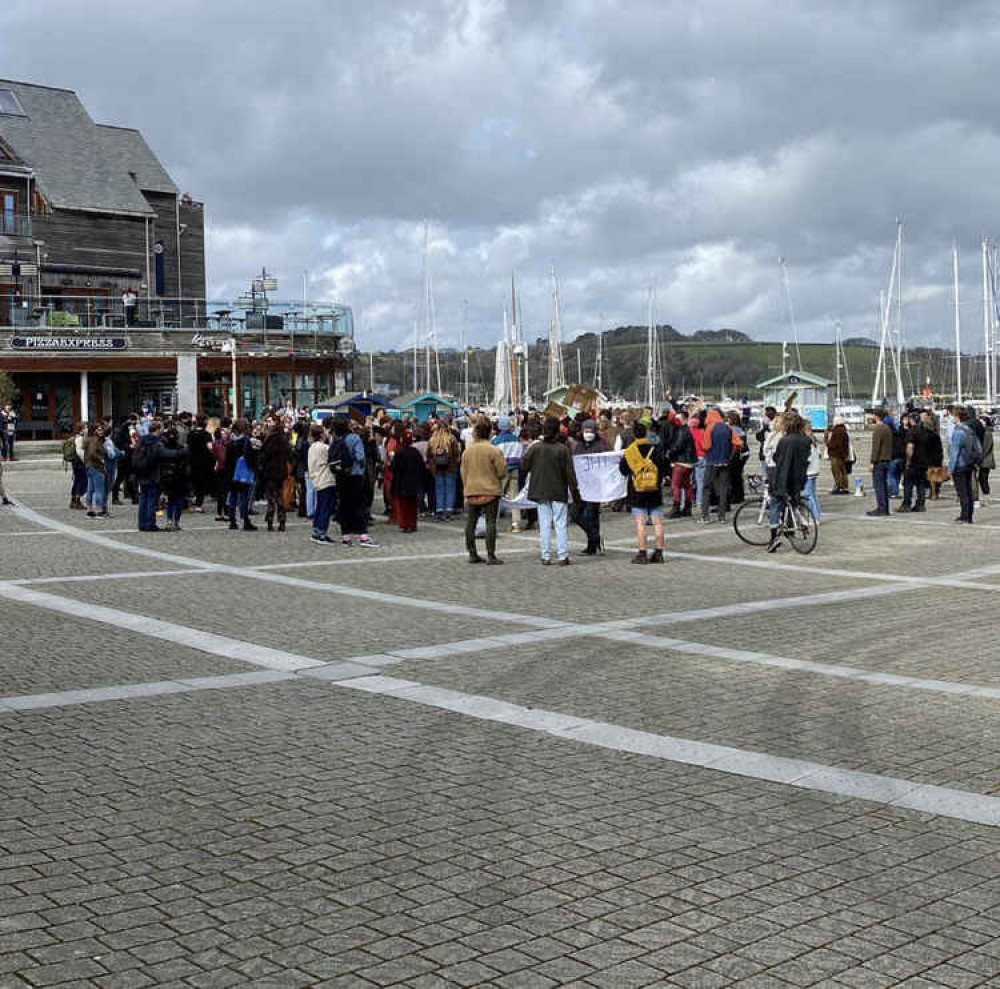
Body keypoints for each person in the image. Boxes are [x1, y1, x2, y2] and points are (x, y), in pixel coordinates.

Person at [520, 415, 578, 566]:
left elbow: (524, 466)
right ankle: (563, 555)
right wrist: (575, 492)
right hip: (558, 490)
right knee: (560, 524)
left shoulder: (535, 448)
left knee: (544, 524)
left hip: (540, 490)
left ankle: (545, 556)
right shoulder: (563, 449)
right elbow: (570, 474)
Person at [461, 416, 507, 564]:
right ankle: (491, 554)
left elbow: (463, 472)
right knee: (491, 522)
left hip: (472, 489)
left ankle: (472, 552)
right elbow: (502, 472)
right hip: (490, 490)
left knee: (471, 522)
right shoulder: (494, 450)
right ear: (489, 432)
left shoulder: (467, 452)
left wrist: (467, 486)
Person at [619, 420, 667, 564]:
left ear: (634, 435)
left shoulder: (630, 451)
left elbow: (623, 470)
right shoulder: (655, 449)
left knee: (640, 523)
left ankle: (642, 552)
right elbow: (664, 466)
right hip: (654, 488)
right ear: (646, 433)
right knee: (657, 522)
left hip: (637, 489)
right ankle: (659, 552)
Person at [768, 412, 811, 552]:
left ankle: (774, 538)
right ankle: (791, 529)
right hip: (799, 477)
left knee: (775, 504)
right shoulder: (805, 439)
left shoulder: (784, 440)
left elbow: (776, 458)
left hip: (783, 477)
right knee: (793, 502)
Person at [332, 419, 376, 547]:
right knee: (359, 505)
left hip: (341, 476)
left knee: (344, 505)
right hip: (355, 475)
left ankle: (345, 537)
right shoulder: (354, 438)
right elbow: (360, 457)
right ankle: (363, 536)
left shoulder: (337, 439)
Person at [570, 418, 607, 555]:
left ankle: (592, 546)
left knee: (593, 516)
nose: (588, 433)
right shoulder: (578, 446)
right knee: (575, 513)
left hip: (595, 487)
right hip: (581, 486)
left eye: (591, 431)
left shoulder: (600, 446)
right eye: (586, 431)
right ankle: (595, 537)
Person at [699, 408, 736, 524]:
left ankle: (705, 516)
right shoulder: (728, 428)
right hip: (725, 462)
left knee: (707, 488)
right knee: (723, 489)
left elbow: (705, 446)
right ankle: (722, 516)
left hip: (711, 462)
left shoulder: (710, 428)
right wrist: (729, 456)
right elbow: (737, 443)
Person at [224, 418, 258, 531]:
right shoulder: (246, 441)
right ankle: (245, 520)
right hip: (242, 473)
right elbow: (250, 458)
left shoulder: (230, 441)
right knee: (244, 496)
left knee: (233, 497)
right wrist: (254, 467)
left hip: (231, 473)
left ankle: (232, 520)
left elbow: (227, 459)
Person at [492, 415, 524, 532]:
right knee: (514, 496)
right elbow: (520, 455)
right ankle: (516, 523)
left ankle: (493, 523)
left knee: (497, 496)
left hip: (502, 470)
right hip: (515, 469)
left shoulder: (496, 441)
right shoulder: (516, 439)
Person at [949, 405, 980, 524]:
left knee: (962, 493)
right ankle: (969, 516)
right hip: (969, 463)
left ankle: (964, 516)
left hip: (960, 465)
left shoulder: (958, 432)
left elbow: (954, 453)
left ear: (957, 417)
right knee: (969, 491)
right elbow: (978, 448)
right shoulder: (969, 430)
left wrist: (951, 469)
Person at [307, 423, 337, 543]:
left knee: (320, 507)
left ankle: (316, 531)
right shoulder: (324, 447)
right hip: (326, 479)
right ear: (321, 435)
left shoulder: (311, 447)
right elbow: (332, 459)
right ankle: (322, 532)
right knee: (326, 508)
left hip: (316, 479)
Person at [259, 419, 291, 532]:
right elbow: (289, 455)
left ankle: (270, 522)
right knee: (280, 497)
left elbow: (263, 456)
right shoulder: (284, 441)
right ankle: (282, 522)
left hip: (269, 473)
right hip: (281, 472)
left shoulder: (269, 441)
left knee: (271, 499)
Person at [391, 429, 425, 533]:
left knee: (403, 505)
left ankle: (405, 524)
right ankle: (412, 524)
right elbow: (421, 467)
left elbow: (394, 468)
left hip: (402, 483)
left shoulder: (399, 453)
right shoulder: (415, 452)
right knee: (412, 505)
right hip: (413, 483)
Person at [427, 420, 460, 521]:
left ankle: (439, 509)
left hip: (437, 468)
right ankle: (449, 511)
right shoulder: (451, 438)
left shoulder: (432, 440)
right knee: (450, 489)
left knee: (439, 489)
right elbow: (456, 453)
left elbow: (429, 454)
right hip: (451, 467)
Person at [666, 410, 696, 518]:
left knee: (675, 485)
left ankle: (676, 508)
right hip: (689, 461)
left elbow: (678, 446)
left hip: (681, 461)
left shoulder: (682, 431)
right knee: (687, 485)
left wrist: (669, 453)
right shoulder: (688, 430)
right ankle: (687, 507)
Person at [898, 412, 929, 513]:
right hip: (923, 461)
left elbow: (910, 447)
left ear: (911, 420)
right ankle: (920, 504)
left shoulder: (911, 432)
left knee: (908, 483)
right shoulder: (924, 431)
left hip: (914, 462)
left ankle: (906, 504)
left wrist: (908, 460)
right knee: (920, 484)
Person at [160, 426, 189, 530]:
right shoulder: (182, 450)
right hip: (179, 478)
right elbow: (186, 465)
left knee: (170, 501)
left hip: (167, 478)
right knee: (179, 501)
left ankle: (169, 521)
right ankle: (176, 521)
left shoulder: (163, 449)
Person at [867, 409, 893, 517]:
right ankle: (885, 508)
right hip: (887, 459)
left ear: (876, 416)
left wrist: (872, 462)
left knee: (879, 485)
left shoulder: (878, 429)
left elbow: (876, 447)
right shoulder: (887, 428)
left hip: (879, 460)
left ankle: (881, 508)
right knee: (884, 485)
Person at [187, 415, 215, 513]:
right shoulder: (206, 434)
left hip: (192, 461)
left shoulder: (191, 433)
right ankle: (199, 504)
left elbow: (188, 446)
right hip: (203, 462)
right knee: (201, 484)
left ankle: (193, 499)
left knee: (194, 482)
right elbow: (210, 448)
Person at [82, 423, 108, 519]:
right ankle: (99, 511)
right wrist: (101, 459)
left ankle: (90, 510)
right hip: (97, 467)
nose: (101, 431)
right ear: (94, 431)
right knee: (99, 490)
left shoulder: (88, 440)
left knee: (90, 489)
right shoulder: (95, 440)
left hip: (89, 466)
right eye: (99, 430)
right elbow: (93, 453)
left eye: (101, 430)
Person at [825, 418, 851, 494]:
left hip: (836, 454)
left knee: (836, 471)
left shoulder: (837, 431)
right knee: (843, 471)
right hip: (842, 455)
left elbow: (834, 444)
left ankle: (839, 486)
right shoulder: (844, 430)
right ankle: (844, 487)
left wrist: (827, 443)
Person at [979, 413, 994, 507]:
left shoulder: (987, 433)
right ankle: (985, 498)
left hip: (986, 461)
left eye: (982, 422)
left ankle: (987, 499)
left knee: (983, 479)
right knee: (981, 479)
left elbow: (986, 448)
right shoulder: (983, 432)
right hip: (983, 460)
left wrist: (978, 456)